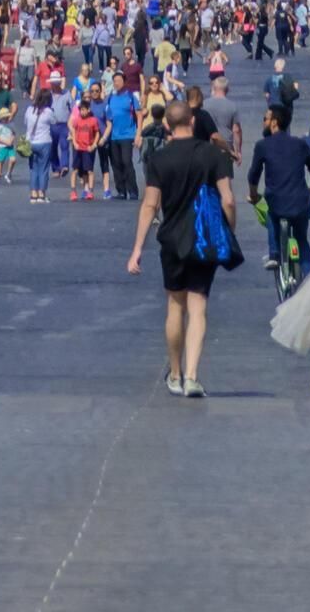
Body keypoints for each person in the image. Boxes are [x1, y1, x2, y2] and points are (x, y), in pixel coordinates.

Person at [128, 99, 239, 399]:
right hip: (204, 239)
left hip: (172, 240)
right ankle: (192, 376)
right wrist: (229, 231)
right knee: (198, 307)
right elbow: (228, 199)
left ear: (167, 125)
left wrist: (137, 248)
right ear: (192, 121)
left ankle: (175, 373)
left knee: (175, 306)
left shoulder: (159, 160)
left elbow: (150, 204)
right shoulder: (214, 155)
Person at [249, 98, 310, 294]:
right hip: (301, 202)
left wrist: (253, 196)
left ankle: (275, 253)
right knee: (302, 241)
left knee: (272, 213)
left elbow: (253, 175)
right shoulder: (300, 144)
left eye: (265, 118)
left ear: (274, 122)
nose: (263, 121)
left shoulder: (263, 145)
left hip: (277, 202)